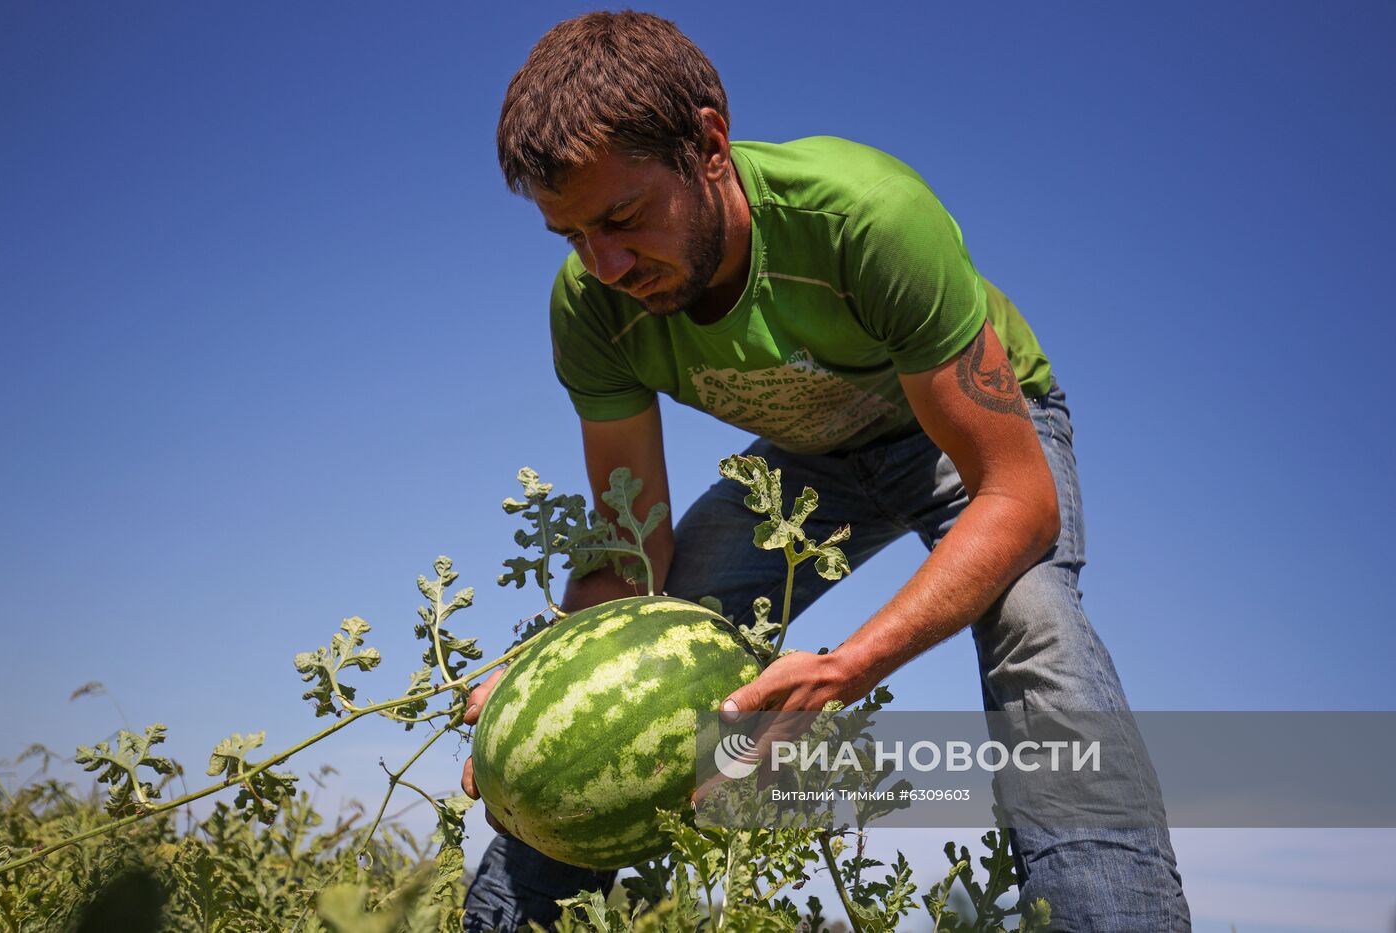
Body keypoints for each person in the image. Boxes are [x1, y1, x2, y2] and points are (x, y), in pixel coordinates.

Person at [460, 11, 1190, 932]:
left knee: (1035, 628)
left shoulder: (863, 218)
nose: (604, 264)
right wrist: (547, 678)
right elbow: (631, 539)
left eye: (622, 218)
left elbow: (1021, 497)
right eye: (571, 236)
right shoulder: (593, 309)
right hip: (809, 462)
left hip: (968, 443)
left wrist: (843, 668)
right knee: (626, 669)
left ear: (710, 144)